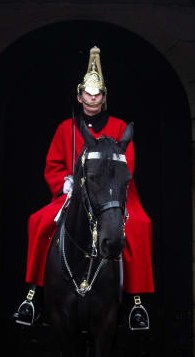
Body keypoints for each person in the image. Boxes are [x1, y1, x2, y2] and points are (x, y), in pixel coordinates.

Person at [14, 46, 154, 330]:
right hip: (74, 193)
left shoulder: (116, 127)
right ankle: (34, 295)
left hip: (113, 194)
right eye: (88, 95)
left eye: (98, 95)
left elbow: (127, 165)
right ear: (79, 97)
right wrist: (65, 182)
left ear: (104, 98)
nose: (92, 100)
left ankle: (136, 301)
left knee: (140, 225)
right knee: (38, 222)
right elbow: (53, 164)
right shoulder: (66, 128)